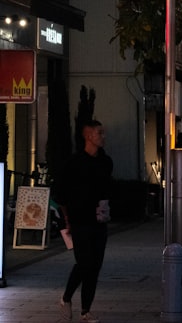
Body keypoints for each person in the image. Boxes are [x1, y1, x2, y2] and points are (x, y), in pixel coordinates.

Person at [54, 120, 113, 323]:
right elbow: (60, 193)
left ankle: (85, 311)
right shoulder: (74, 162)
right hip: (79, 220)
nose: (103, 136)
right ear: (88, 136)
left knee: (95, 266)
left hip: (100, 219)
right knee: (84, 262)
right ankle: (66, 298)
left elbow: (108, 188)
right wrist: (67, 218)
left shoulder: (105, 161)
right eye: (100, 133)